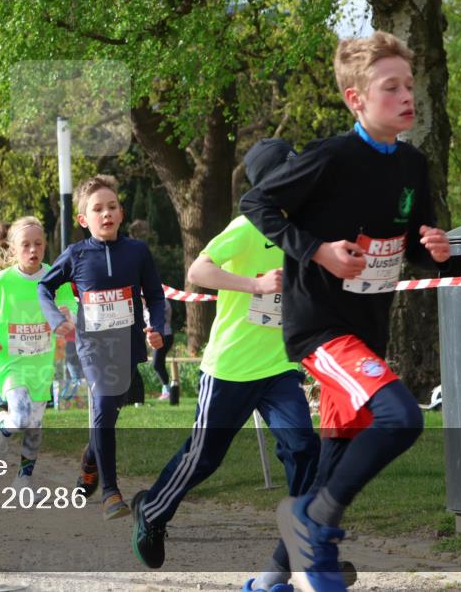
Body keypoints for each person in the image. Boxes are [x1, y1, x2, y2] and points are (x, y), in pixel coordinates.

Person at [240, 32, 450, 592]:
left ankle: (270, 579)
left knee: (336, 455)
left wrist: (435, 249)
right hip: (321, 328)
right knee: (400, 418)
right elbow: (256, 202)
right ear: (356, 99)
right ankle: (315, 526)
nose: (407, 96)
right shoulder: (330, 157)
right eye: (391, 87)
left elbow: (412, 241)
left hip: (368, 330)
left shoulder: (413, 164)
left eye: (410, 85)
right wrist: (318, 251)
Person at [131, 139, 322, 592]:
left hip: (278, 367)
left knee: (303, 448)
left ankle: (300, 546)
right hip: (230, 367)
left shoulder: (304, 229)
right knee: (204, 457)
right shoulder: (246, 225)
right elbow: (197, 272)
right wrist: (255, 284)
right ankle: (152, 511)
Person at [38, 174, 166, 519]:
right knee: (105, 404)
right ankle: (111, 492)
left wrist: (157, 327)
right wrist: (55, 318)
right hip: (93, 347)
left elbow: (155, 295)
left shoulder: (137, 252)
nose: (106, 213)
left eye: (112, 207)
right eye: (97, 209)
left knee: (109, 412)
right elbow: (44, 288)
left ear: (121, 213)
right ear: (83, 219)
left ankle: (90, 457)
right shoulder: (76, 255)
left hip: (128, 346)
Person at [0, 216, 76, 488]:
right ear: (13, 249)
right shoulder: (1, 281)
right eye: (26, 245)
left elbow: (71, 306)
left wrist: (68, 317)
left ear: (45, 245)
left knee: (34, 426)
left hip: (41, 361)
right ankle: (1, 428)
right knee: (19, 417)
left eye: (38, 244)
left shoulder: (56, 277)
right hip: (11, 361)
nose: (33, 250)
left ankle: (24, 479)